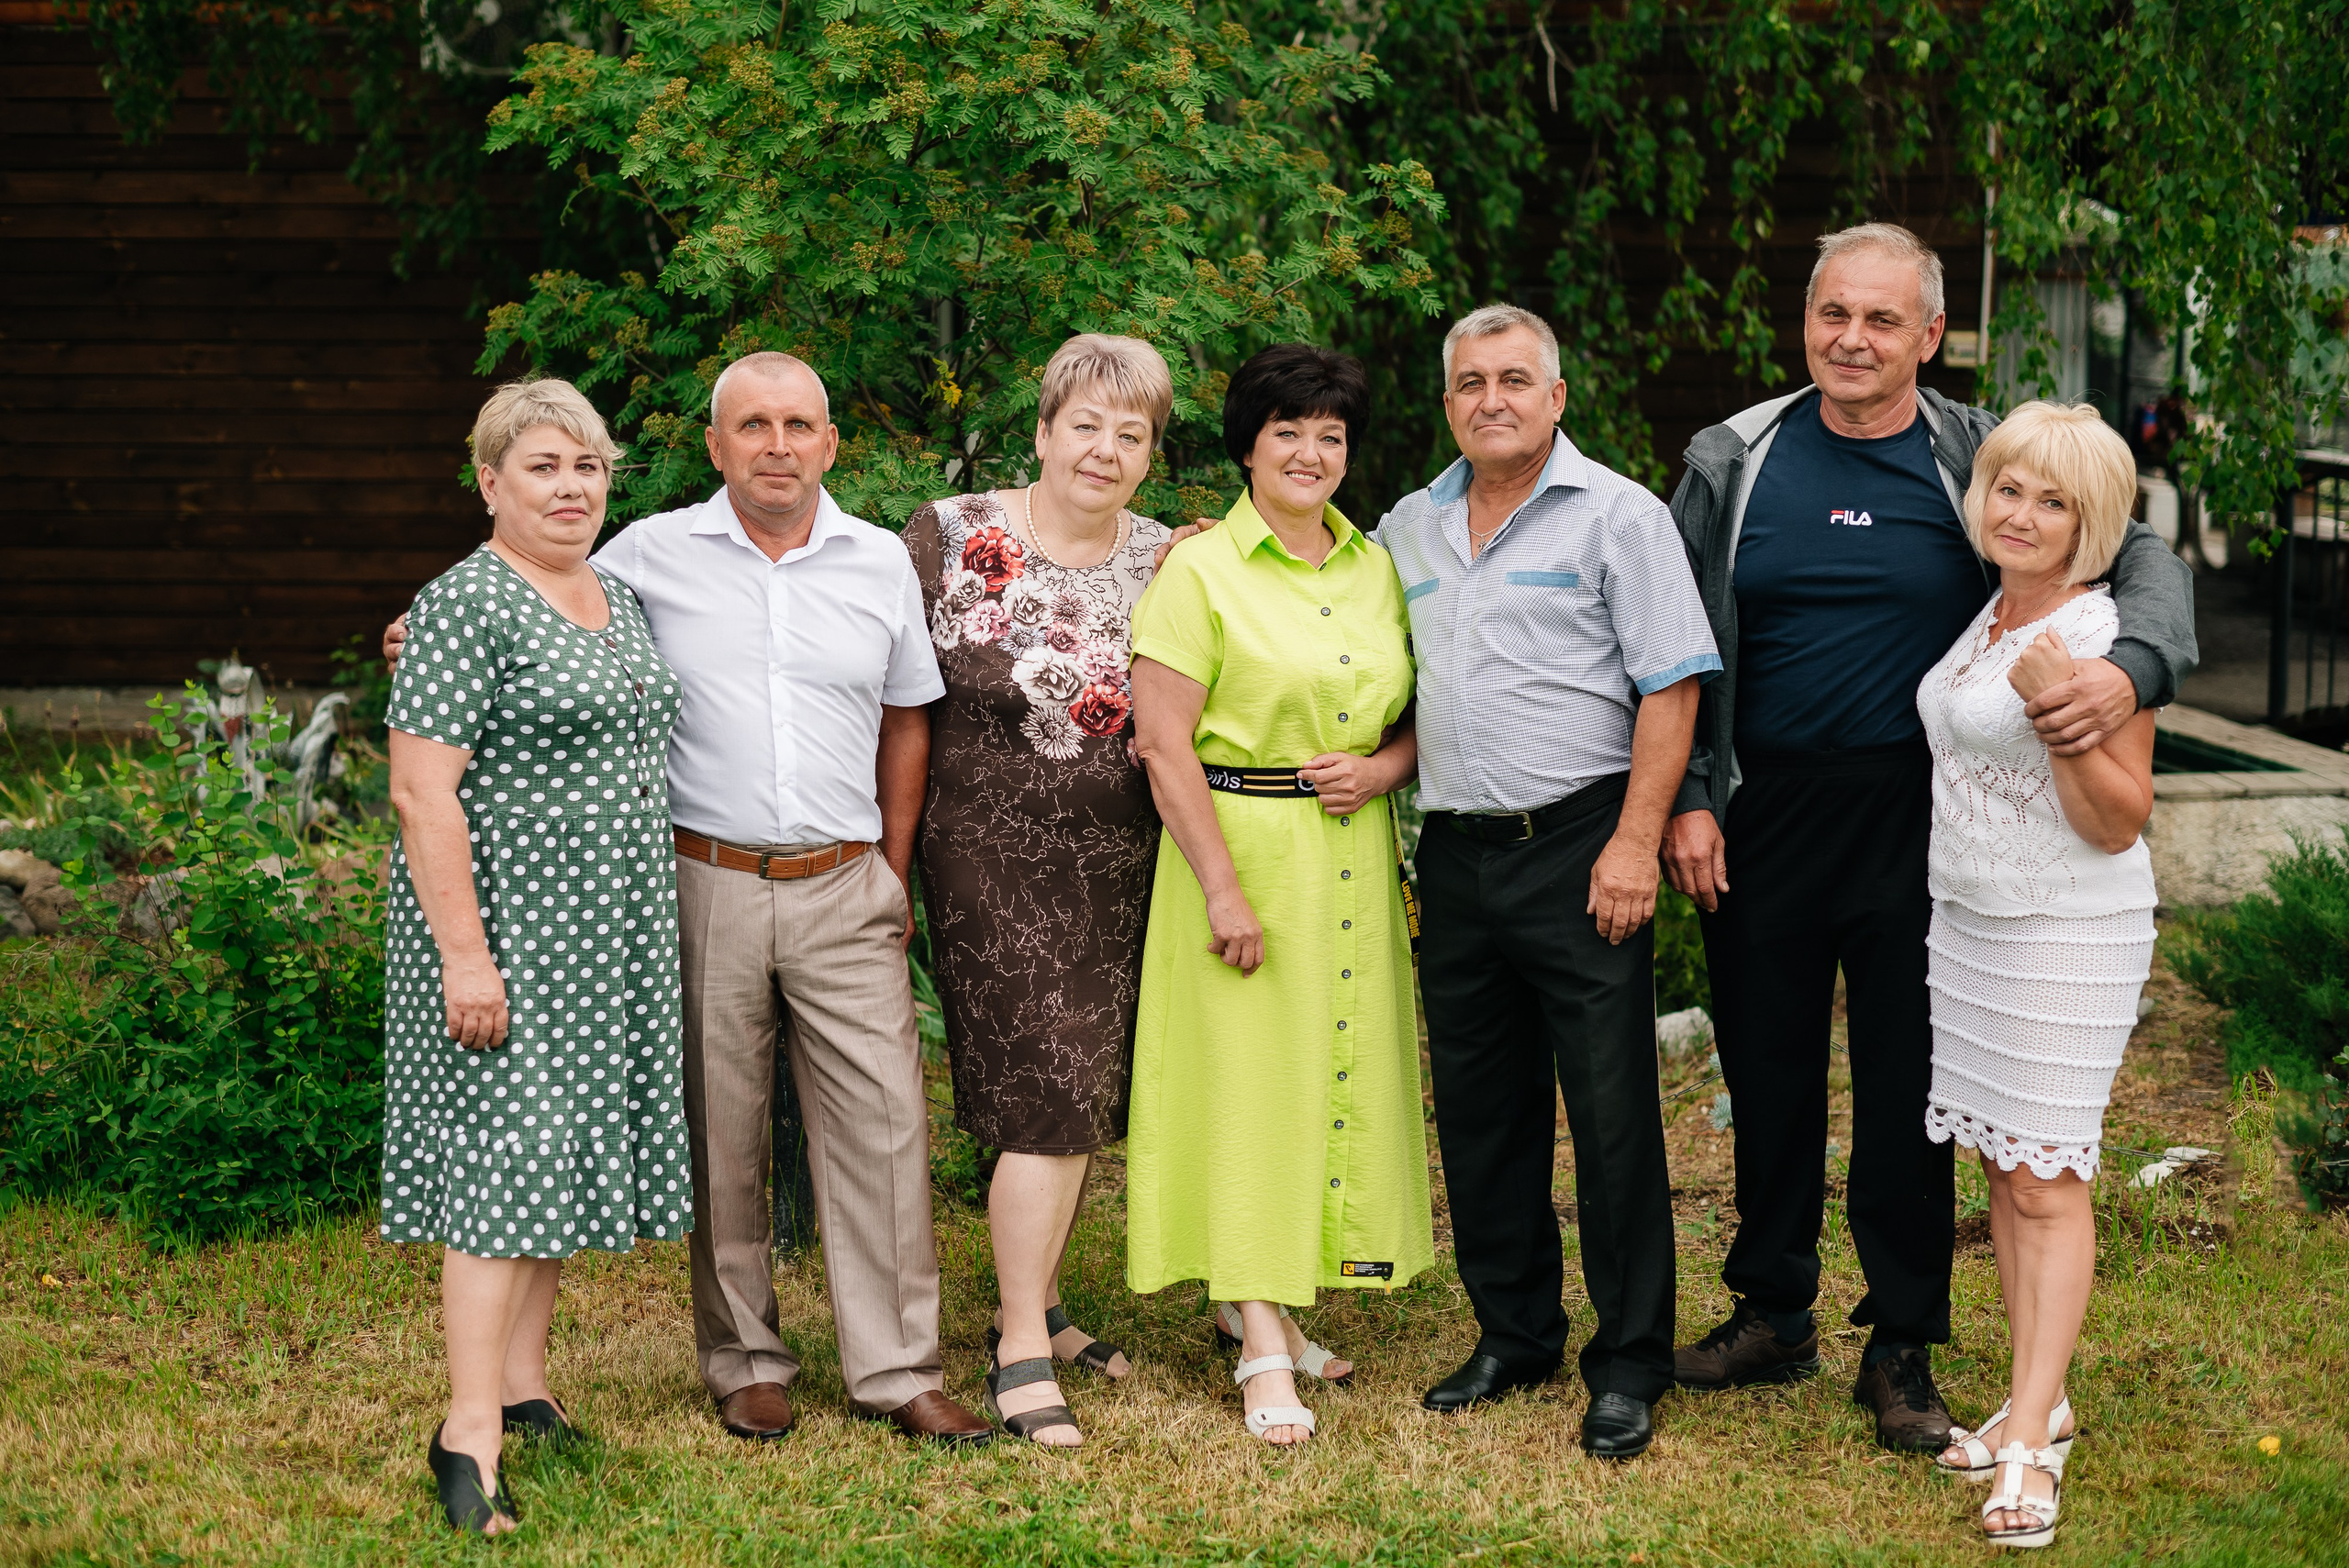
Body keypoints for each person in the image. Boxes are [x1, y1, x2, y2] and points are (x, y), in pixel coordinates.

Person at [388, 351, 992, 1446]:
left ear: (828, 444)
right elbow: (522, 587)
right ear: (714, 447)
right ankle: (744, 1359)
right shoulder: (646, 554)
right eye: (751, 424)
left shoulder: (875, 560)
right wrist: (413, 636)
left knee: (888, 1125)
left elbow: (911, 713)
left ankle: (900, 1368)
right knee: (720, 1128)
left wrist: (892, 865)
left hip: (845, 880)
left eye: (798, 423)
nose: (777, 444)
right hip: (700, 879)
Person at [1661, 223, 2197, 1451]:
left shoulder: (1977, 457)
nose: (1853, 339)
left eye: (1883, 319)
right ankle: (1773, 1308)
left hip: (1923, 822)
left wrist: (2142, 666)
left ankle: (1902, 1341)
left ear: (1931, 335)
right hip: (1764, 813)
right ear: (1806, 320)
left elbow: (2140, 540)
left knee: (1915, 1089)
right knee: (1771, 1069)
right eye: (1833, 313)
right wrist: (1690, 792)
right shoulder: (1735, 458)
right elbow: (1671, 632)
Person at [1381, 306, 1719, 1461]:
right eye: (1470, 382)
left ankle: (1629, 1361)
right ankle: (1514, 1331)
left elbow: (1670, 691)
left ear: (1556, 395)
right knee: (1480, 1111)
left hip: (1582, 844)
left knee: (1613, 1115)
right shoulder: (1405, 529)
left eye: (1515, 378)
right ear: (1447, 405)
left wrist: (1634, 843)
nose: (1492, 399)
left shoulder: (1621, 516)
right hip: (1458, 855)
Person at [382, 378, 689, 1533]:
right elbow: (423, 792)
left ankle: (522, 1384)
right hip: (506, 931)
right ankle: (465, 1432)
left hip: (603, 936)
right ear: (490, 481)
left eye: (587, 467)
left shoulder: (614, 590)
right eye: (544, 467)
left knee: (553, 1157)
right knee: (508, 1168)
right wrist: (467, 957)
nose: (570, 487)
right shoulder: (464, 603)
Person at [1127, 343, 1428, 1447]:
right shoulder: (1198, 571)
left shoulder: (1373, 567)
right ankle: (1261, 1344)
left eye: (1331, 435)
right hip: (1236, 849)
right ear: (1247, 445)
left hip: (1347, 852)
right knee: (1251, 1089)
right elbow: (1161, 746)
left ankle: (1265, 1298)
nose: (1310, 452)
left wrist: (1383, 770)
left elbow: (1408, 720)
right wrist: (1221, 890)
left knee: (1324, 1076)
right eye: (1287, 431)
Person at [902, 334, 1174, 1446]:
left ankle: (1048, 1306)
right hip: (984, 850)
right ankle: (1018, 1342)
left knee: (1080, 1085)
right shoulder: (949, 533)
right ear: (1042, 429)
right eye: (1086, 425)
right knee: (1049, 1082)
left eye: (1131, 433)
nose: (1103, 450)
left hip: (1122, 859)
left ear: (1151, 452)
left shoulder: (1173, 557)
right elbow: (860, 671)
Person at [1916, 403, 2156, 1549]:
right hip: (1971, 920)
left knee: (2047, 1177)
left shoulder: (2096, 634)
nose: (2020, 511)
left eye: (2051, 499)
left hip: (2066, 926)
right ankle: (2032, 1394)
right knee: (2003, 1169)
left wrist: (2061, 717)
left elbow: (2121, 818)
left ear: (2090, 520)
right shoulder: (1995, 610)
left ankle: (2030, 1452)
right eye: (2009, 486)